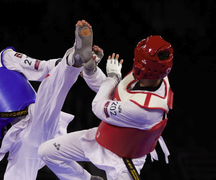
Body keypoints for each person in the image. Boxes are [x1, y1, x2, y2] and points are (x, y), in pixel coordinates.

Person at [0, 14, 99, 179]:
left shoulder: (6, 58)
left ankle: (75, 58)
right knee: (45, 159)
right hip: (19, 140)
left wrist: (65, 63)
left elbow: (43, 67)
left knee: (48, 88)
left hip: (39, 115)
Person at [38, 35, 174, 180]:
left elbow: (98, 106)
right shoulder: (155, 77)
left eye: (137, 61)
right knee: (47, 152)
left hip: (125, 160)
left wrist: (113, 76)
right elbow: (115, 94)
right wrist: (92, 72)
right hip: (103, 139)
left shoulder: (145, 110)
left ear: (143, 67)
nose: (134, 62)